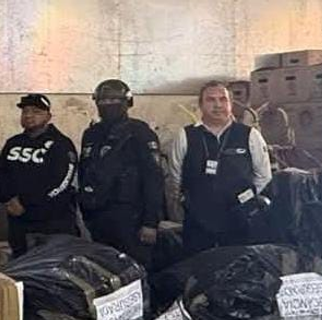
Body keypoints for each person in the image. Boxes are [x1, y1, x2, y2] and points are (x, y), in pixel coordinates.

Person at [166, 80, 271, 256]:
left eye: (223, 99)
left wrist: (245, 201)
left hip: (240, 219)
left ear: (231, 104)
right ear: (200, 105)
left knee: (238, 264)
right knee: (198, 266)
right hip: (198, 221)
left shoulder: (249, 135)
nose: (218, 105)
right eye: (211, 100)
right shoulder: (185, 135)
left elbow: (263, 176)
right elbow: (175, 177)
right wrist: (185, 205)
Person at [78, 80, 166, 265]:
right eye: (103, 101)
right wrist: (86, 210)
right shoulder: (91, 134)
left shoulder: (140, 133)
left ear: (127, 102)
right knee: (104, 269)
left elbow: (153, 179)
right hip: (98, 216)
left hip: (132, 217)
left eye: (114, 100)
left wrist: (150, 222)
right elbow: (84, 171)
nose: (108, 105)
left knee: (135, 269)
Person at [0, 93, 78, 257]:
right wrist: (8, 198)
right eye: (25, 111)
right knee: (21, 267)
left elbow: (62, 182)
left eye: (36, 111)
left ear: (48, 116)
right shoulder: (13, 143)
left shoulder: (61, 144)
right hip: (19, 225)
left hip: (52, 225)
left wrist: (26, 203)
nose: (29, 115)